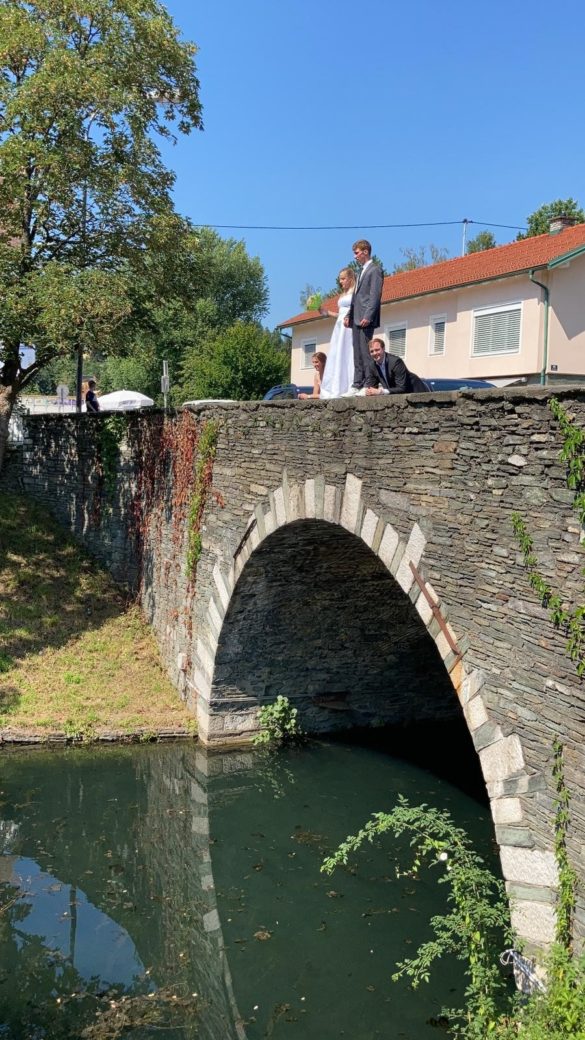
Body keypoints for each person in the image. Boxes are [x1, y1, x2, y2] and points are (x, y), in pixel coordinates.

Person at [343, 239, 383, 393]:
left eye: (357, 253)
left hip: (366, 318)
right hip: (356, 318)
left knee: (366, 353)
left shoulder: (375, 270)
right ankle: (357, 383)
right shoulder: (359, 273)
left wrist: (369, 315)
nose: (355, 256)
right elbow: (355, 297)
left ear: (365, 251)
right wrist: (349, 314)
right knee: (357, 352)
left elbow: (374, 295)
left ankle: (369, 383)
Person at [319, 268, 356, 398]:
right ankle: (336, 387)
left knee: (348, 353)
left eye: (343, 278)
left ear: (350, 278)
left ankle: (350, 385)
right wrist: (325, 311)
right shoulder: (342, 294)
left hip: (349, 326)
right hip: (339, 326)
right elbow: (340, 314)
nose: (341, 282)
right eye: (340, 279)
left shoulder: (355, 291)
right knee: (337, 354)